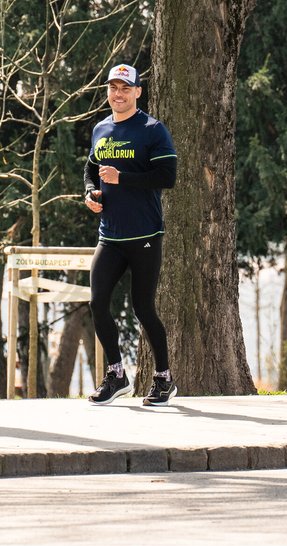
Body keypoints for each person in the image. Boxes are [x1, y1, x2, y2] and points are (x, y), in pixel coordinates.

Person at [82, 64, 178, 406]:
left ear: (138, 92)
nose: (118, 94)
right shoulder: (101, 129)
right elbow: (92, 168)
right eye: (113, 88)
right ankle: (116, 375)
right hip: (110, 235)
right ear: (108, 91)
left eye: (125, 88)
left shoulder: (152, 129)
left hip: (145, 234)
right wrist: (91, 192)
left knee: (143, 307)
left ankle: (164, 379)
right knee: (96, 302)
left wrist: (123, 179)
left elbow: (167, 176)